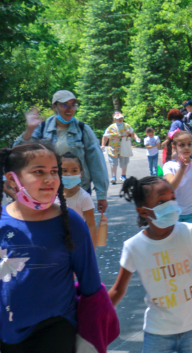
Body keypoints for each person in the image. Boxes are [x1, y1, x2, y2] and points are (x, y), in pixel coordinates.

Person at [0, 143, 103, 351]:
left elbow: (91, 286)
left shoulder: (70, 221)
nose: (50, 179)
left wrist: (92, 337)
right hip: (8, 333)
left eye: (54, 171)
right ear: (12, 179)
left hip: (56, 328)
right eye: (39, 172)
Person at [109, 176, 192, 353]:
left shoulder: (190, 232)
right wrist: (94, 315)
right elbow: (118, 290)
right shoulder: (133, 247)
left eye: (173, 198)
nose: (170, 204)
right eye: (162, 201)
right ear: (143, 211)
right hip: (157, 333)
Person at [13, 90, 109, 213]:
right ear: (54, 107)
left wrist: (102, 195)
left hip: (78, 190)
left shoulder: (83, 129)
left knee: (78, 227)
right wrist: (29, 130)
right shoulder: (42, 128)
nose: (70, 109)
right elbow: (17, 153)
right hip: (48, 188)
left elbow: (97, 162)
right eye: (64, 104)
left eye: (73, 104)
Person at [58, 152, 98, 244]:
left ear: (81, 173)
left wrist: (91, 251)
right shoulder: (52, 196)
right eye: (64, 171)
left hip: (77, 243)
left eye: (74, 171)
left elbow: (91, 225)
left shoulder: (84, 198)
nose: (69, 174)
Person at [101, 111, 140, 184]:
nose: (120, 119)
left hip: (124, 148)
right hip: (114, 148)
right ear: (115, 119)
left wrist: (136, 138)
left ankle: (123, 176)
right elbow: (105, 136)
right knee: (113, 163)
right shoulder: (111, 127)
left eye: (121, 118)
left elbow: (132, 134)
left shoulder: (127, 126)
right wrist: (103, 145)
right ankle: (113, 177)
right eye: (118, 118)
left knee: (124, 162)